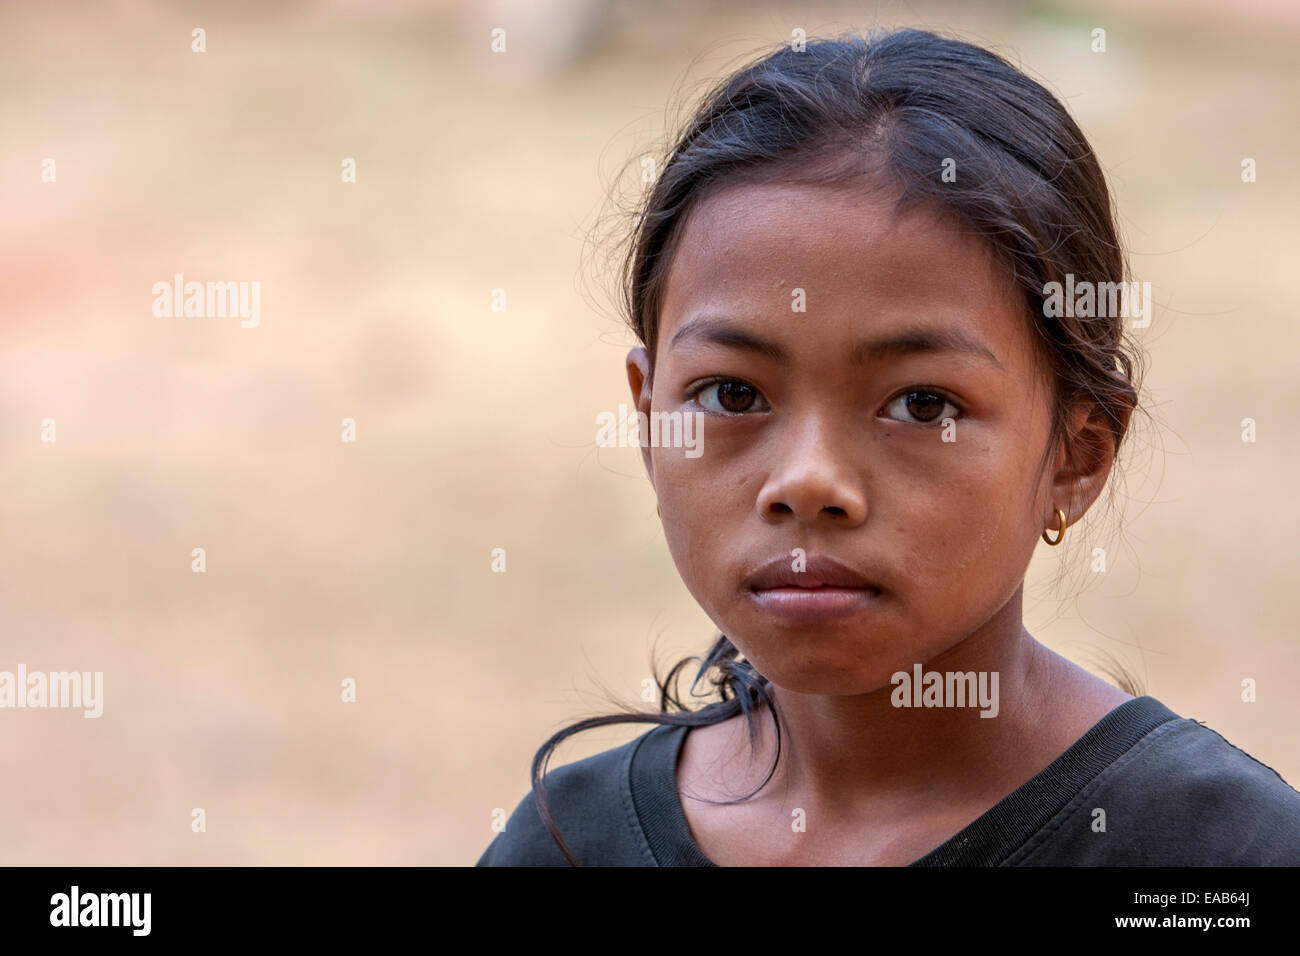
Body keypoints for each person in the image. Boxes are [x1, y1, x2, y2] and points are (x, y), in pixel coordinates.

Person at [477, 27, 1300, 866]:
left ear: (1076, 456)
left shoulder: (1211, 855)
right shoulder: (567, 845)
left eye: (922, 403)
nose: (808, 482)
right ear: (650, 420)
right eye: (733, 395)